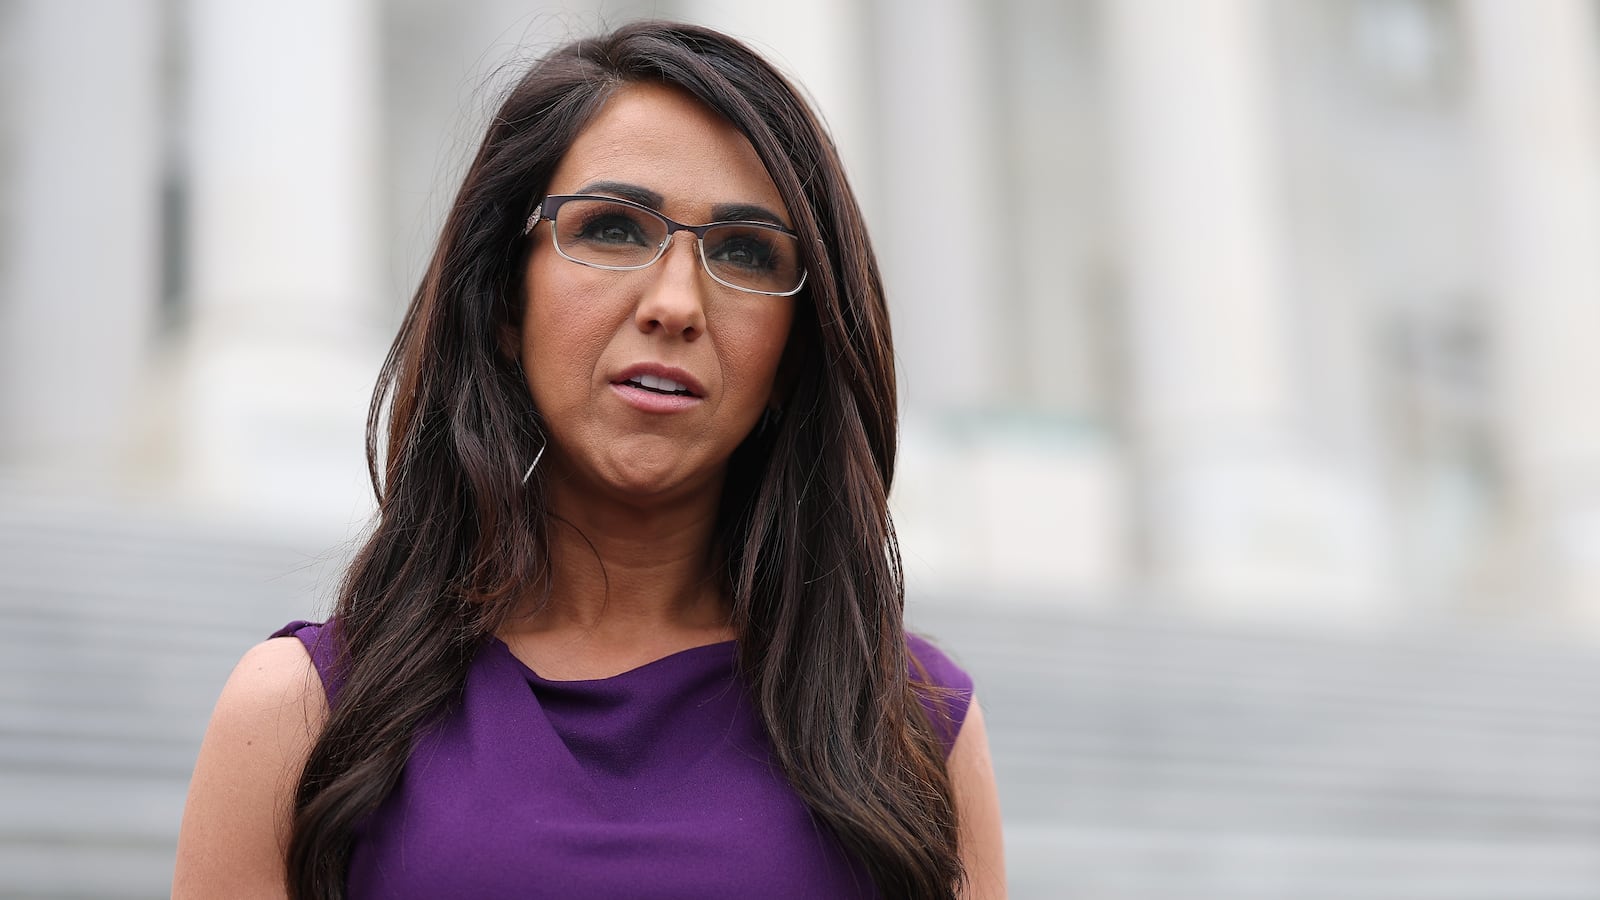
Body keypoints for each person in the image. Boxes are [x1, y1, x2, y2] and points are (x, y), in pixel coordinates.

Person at [173, 20, 1004, 900]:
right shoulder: (297, 718)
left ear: (796, 346)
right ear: (502, 294)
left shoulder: (918, 728)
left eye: (744, 251)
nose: (676, 303)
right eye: (611, 228)